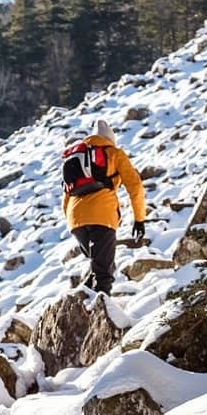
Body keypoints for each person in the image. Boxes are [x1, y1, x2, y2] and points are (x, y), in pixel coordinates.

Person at [62, 119, 146, 296]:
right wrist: (139, 219)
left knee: (101, 265)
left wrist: (76, 222)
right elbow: (135, 186)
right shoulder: (114, 153)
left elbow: (66, 197)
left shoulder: (79, 158)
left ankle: (83, 301)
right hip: (102, 216)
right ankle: (101, 314)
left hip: (75, 219)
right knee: (103, 274)